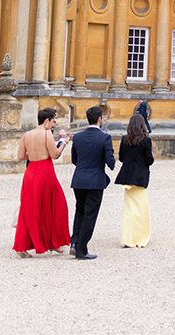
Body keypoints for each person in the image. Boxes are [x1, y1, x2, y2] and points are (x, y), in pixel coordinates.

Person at [13, 107, 71, 257]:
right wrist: (64, 142)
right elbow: (55, 155)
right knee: (56, 206)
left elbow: (20, 157)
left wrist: (33, 154)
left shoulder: (26, 135)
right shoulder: (47, 134)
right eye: (53, 121)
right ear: (46, 121)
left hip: (31, 172)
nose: (54, 123)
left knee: (29, 209)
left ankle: (22, 246)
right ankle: (54, 241)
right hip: (45, 172)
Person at [69, 105, 114, 260]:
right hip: (95, 181)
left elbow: (75, 159)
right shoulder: (105, 138)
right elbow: (110, 162)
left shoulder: (78, 137)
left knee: (80, 211)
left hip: (79, 179)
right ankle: (81, 249)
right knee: (90, 215)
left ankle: (74, 242)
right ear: (99, 119)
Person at [115, 113, 154, 248]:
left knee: (129, 210)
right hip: (140, 178)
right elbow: (149, 160)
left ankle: (128, 238)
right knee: (141, 210)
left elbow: (121, 158)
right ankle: (140, 237)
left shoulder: (125, 139)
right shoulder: (146, 141)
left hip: (128, 178)